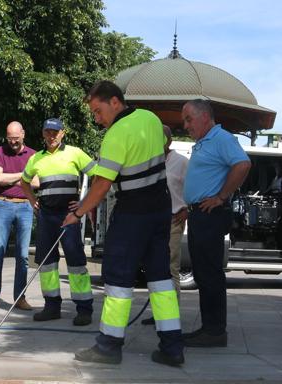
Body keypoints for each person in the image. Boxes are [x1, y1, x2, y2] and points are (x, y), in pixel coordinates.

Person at [63, 80, 184, 366]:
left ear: (115, 102)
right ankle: (172, 347)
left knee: (117, 278)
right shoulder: (151, 120)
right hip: (160, 209)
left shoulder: (116, 134)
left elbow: (103, 184)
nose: (97, 119)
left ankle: (108, 345)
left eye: (98, 111)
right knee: (161, 280)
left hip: (133, 212)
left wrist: (78, 213)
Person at [181, 99, 251, 347]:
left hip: (211, 215)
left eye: (189, 119)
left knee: (209, 273)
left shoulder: (221, 138)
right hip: (200, 214)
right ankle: (210, 328)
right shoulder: (203, 142)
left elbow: (242, 164)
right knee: (203, 272)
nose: (186, 125)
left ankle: (215, 331)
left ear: (205, 117)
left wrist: (221, 196)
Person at [20, 118, 98, 327]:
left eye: (55, 132)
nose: (51, 136)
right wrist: (32, 200)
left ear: (63, 133)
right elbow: (24, 182)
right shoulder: (36, 158)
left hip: (68, 215)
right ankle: (51, 306)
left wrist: (84, 203)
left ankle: (84, 308)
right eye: (47, 132)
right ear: (43, 133)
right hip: (46, 215)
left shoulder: (75, 152)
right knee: (47, 263)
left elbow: (99, 175)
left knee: (76, 261)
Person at [0, 121, 36, 311]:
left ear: (23, 134)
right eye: (9, 138)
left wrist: (10, 177)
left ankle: (20, 297)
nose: (13, 141)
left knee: (22, 255)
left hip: (25, 207)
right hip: (3, 204)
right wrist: (23, 176)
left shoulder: (33, 155)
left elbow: (37, 182)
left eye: (16, 138)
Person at [141, 125, 189, 325]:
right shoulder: (147, 160)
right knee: (153, 268)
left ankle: (171, 315)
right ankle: (159, 311)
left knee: (170, 268)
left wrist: (187, 208)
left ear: (168, 141)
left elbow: (192, 189)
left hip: (172, 220)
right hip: (151, 219)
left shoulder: (182, 162)